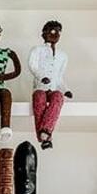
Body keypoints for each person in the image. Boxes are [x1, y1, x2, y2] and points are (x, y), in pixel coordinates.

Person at [28, 19, 69, 147]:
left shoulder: (63, 56)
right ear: (44, 33)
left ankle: (44, 131)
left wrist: (65, 89)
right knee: (39, 98)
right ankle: (46, 137)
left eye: (58, 32)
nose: (55, 34)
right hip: (40, 87)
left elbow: (60, 76)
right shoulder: (37, 50)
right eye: (52, 31)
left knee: (58, 97)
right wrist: (42, 77)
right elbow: (32, 66)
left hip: (53, 88)